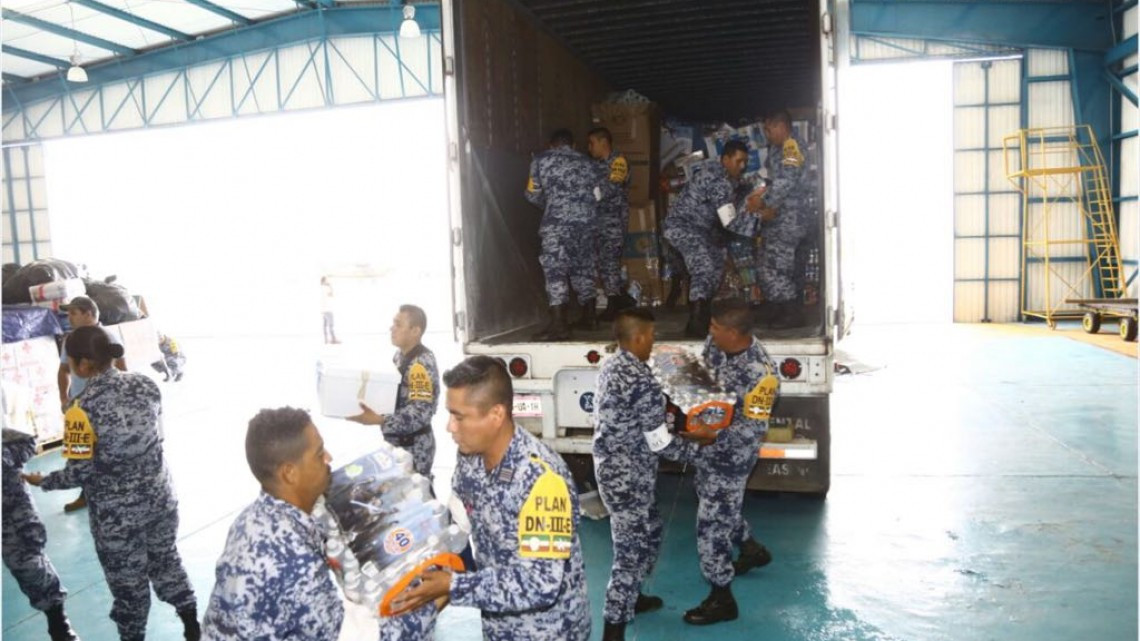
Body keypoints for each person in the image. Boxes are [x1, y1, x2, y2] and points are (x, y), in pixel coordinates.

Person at [390, 356, 591, 640]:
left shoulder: (542, 480)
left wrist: (453, 586)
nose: (450, 427)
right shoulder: (470, 457)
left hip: (547, 631)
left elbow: (541, 583)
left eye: (459, 416)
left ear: (496, 415)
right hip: (497, 624)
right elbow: (458, 524)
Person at [25, 326, 200, 641]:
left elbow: (79, 471)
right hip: (161, 498)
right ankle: (191, 625)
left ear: (83, 365)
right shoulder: (147, 385)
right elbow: (157, 437)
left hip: (117, 517)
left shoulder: (80, 409)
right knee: (167, 560)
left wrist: (44, 481)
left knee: (128, 584)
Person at [592, 308, 704, 641]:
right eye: (652, 336)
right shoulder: (639, 377)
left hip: (615, 469)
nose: (654, 343)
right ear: (639, 337)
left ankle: (634, 598)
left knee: (651, 529)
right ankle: (613, 628)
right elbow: (660, 442)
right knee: (630, 552)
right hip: (628, 476)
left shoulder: (612, 363)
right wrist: (700, 452)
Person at [200, 407, 343, 640]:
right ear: (289, 473)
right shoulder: (297, 558)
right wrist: (423, 600)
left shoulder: (249, 518)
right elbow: (342, 633)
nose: (328, 458)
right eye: (319, 454)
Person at [681, 299, 779, 625]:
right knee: (715, 502)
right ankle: (751, 548)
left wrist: (711, 436)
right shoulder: (716, 344)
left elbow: (752, 431)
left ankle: (721, 598)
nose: (709, 332)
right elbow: (704, 377)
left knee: (711, 524)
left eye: (716, 328)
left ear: (734, 333)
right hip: (709, 445)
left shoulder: (760, 375)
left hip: (733, 456)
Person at [663, 141, 753, 337]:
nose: (743, 166)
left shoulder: (726, 177)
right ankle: (696, 322)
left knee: (716, 264)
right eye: (739, 161)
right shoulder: (716, 179)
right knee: (704, 266)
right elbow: (729, 221)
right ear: (725, 159)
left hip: (701, 230)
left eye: (745, 162)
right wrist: (755, 222)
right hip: (682, 227)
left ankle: (703, 312)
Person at [525, 128, 604, 340]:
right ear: (573, 145)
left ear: (552, 145)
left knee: (555, 269)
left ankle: (559, 324)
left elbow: (532, 194)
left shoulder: (541, 160)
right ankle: (590, 316)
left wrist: (552, 205)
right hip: (586, 224)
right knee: (584, 266)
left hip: (557, 225)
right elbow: (597, 196)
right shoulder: (588, 163)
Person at [2, 428, 79, 641]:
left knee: (27, 562)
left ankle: (59, 624)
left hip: (10, 510)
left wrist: (6, 462)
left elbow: (26, 441)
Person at [348, 305, 439, 478]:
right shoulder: (400, 356)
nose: (392, 328)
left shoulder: (421, 364)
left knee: (417, 494)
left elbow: (421, 413)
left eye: (398, 324)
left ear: (415, 331)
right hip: (398, 442)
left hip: (413, 446)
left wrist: (380, 420)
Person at [743, 110, 813, 329]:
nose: (766, 133)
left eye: (769, 128)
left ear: (781, 126)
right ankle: (777, 307)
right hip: (781, 216)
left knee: (774, 267)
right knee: (775, 263)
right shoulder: (776, 148)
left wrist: (765, 204)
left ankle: (791, 311)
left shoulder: (791, 146)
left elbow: (786, 181)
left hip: (789, 218)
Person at [57, 295, 126, 513]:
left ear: (88, 313)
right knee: (80, 452)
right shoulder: (71, 340)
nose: (69, 317)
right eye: (68, 313)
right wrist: (63, 398)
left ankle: (115, 492)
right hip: (79, 406)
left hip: (106, 406)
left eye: (73, 313)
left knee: (106, 450)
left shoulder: (108, 338)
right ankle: (85, 494)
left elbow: (123, 370)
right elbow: (63, 370)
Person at [587, 127, 637, 322]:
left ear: (603, 142)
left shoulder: (618, 162)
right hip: (599, 222)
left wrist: (586, 195)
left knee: (610, 262)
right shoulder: (596, 165)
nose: (589, 148)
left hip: (613, 221)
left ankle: (614, 304)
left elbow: (611, 187)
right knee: (604, 263)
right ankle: (620, 299)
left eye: (592, 143)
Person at [321, 276, 340, 344]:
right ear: (324, 281)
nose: (328, 281)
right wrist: (330, 286)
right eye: (327, 280)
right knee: (331, 325)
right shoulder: (326, 288)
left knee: (325, 326)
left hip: (323, 309)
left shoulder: (320, 288)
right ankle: (333, 339)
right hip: (328, 309)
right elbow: (331, 294)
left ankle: (325, 339)